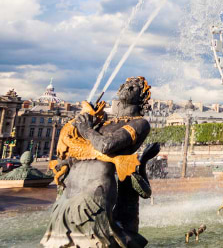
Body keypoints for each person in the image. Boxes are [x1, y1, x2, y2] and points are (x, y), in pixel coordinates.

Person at [42, 76, 159, 248]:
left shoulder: (139, 123)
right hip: (68, 197)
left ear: (142, 98)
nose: (127, 88)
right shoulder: (101, 123)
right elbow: (75, 147)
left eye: (134, 87)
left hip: (94, 193)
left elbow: (106, 145)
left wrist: (86, 128)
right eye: (126, 85)